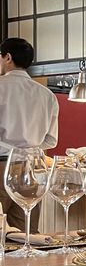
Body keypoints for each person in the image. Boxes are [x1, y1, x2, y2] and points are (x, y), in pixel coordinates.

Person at [0, 37, 59, 231]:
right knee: (26, 234)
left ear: (7, 57)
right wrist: (28, 149)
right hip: (33, 169)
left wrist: (12, 148)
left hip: (1, 166)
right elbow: (51, 140)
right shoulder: (46, 95)